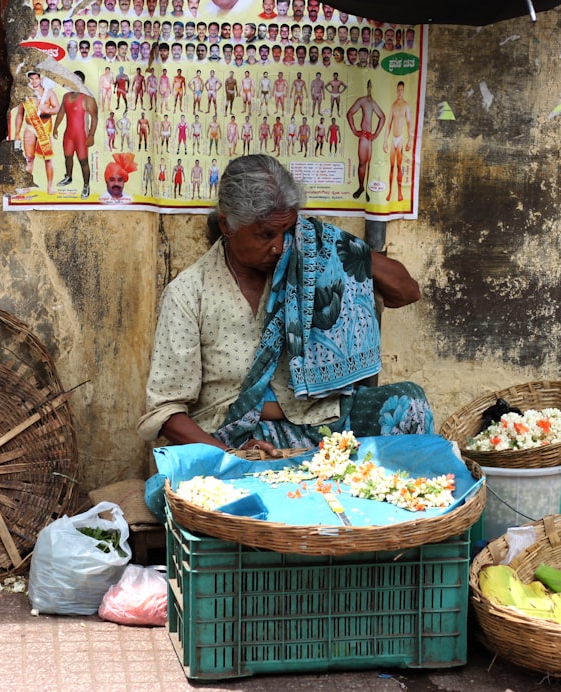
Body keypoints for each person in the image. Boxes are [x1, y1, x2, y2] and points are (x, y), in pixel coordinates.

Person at [137, 154, 432, 458]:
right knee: (233, 483)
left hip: (324, 421)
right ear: (227, 225)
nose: (279, 246)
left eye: (287, 230)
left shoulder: (313, 255)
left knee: (409, 403)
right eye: (266, 234)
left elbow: (406, 292)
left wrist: (338, 246)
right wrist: (229, 455)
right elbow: (166, 410)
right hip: (239, 434)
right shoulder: (189, 293)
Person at [52, 71, 100, 198]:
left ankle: (86, 185)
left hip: (81, 137)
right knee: (67, 157)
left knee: (83, 161)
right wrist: (55, 127)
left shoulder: (87, 97)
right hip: (68, 135)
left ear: (82, 82)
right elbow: (61, 112)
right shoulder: (66, 96)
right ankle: (68, 177)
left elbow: (95, 117)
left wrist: (91, 135)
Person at [14, 70, 62, 195]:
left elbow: (57, 108)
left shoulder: (49, 92)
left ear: (40, 79)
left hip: (44, 128)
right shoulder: (24, 94)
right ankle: (26, 185)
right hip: (30, 127)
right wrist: (17, 132)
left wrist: (47, 109)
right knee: (29, 158)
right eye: (31, 79)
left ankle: (50, 186)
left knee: (48, 158)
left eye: (36, 78)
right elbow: (20, 114)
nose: (34, 81)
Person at [346, 79, 384, 201]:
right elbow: (350, 113)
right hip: (363, 136)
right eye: (367, 86)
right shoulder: (362, 100)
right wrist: (354, 130)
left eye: (370, 86)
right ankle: (361, 187)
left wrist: (376, 134)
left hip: (369, 137)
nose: (369, 88)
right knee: (362, 163)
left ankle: (367, 189)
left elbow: (382, 117)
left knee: (370, 164)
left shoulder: (373, 103)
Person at [384, 80, 413, 203]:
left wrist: (410, 139)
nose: (400, 92)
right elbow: (389, 124)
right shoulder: (393, 105)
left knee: (399, 166)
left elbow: (409, 122)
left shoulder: (406, 105)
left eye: (402, 90)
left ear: (403, 90)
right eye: (398, 90)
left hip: (401, 138)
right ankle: (390, 192)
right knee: (391, 167)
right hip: (393, 139)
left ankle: (400, 193)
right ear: (396, 90)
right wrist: (385, 141)